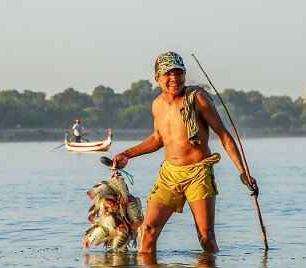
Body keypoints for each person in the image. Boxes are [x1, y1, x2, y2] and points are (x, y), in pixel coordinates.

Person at [111, 52, 259, 254]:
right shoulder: (157, 105)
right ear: (157, 79)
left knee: (206, 238)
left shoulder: (198, 99)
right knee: (147, 231)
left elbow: (225, 136)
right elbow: (158, 139)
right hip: (169, 175)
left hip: (198, 174)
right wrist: (127, 154)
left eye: (178, 73)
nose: (174, 79)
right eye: (168, 74)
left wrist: (243, 172)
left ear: (184, 75)